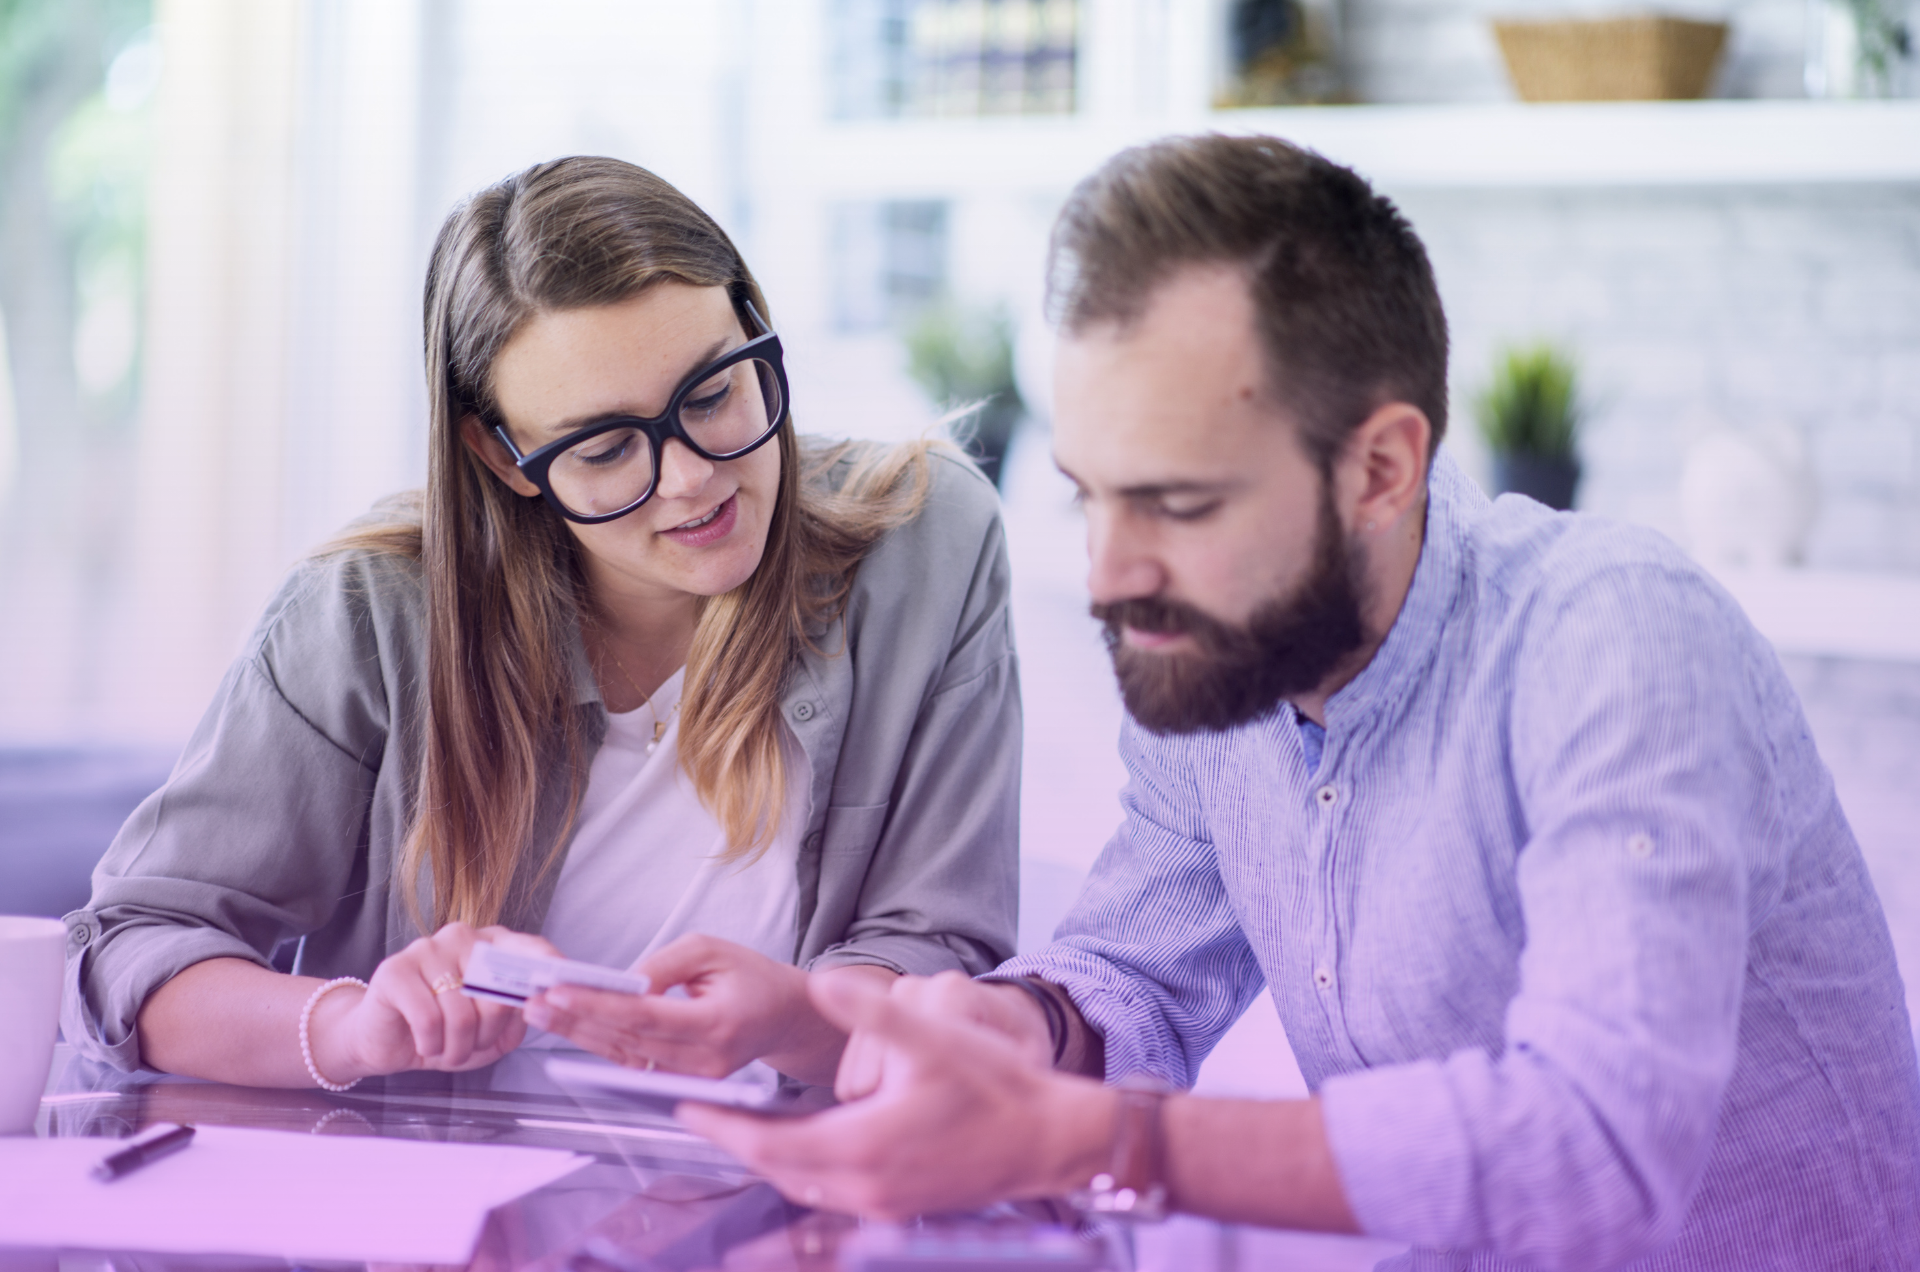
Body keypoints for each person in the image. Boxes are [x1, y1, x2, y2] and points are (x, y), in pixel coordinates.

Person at [684, 134, 1920, 1270]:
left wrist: (1089, 1137)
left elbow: (1593, 1142)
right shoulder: (1223, 671)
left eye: (1178, 505)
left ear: (1382, 467)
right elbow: (1130, 975)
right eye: (1089, 496)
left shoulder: (1615, 636)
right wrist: (992, 1033)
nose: (1111, 577)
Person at [62, 156, 1019, 1092]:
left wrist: (803, 1023)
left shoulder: (928, 543)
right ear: (504, 455)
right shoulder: (371, 615)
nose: (693, 478)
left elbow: (937, 944)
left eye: (716, 392)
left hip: (783, 1208)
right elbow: (126, 951)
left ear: (756, 327)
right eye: (605, 448)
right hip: (448, 1223)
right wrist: (354, 1027)